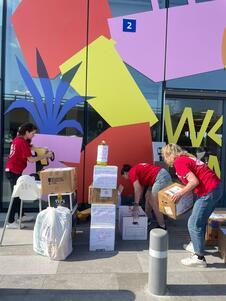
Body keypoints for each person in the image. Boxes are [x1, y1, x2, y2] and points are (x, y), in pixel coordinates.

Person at [161, 143, 222, 268]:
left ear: (168, 155)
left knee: (193, 223)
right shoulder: (187, 158)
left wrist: (179, 194)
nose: (165, 160)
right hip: (215, 188)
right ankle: (196, 245)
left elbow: (194, 181)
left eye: (164, 157)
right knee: (201, 221)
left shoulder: (179, 162)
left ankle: (199, 258)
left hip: (208, 191)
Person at [5, 122, 53, 229]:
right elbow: (31, 159)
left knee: (19, 193)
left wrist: (39, 149)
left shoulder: (20, 140)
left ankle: (21, 216)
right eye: (33, 133)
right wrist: (46, 155)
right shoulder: (21, 142)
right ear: (26, 132)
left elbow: (30, 148)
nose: (33, 135)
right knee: (16, 195)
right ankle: (11, 221)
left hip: (13, 171)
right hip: (13, 172)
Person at [121, 163, 172, 230]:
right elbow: (140, 189)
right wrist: (139, 201)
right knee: (147, 196)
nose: (126, 179)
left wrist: (136, 204)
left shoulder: (131, 172)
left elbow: (137, 189)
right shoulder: (136, 169)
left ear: (125, 173)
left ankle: (162, 226)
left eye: (124, 177)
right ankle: (147, 219)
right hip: (160, 176)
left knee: (153, 202)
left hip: (160, 177)